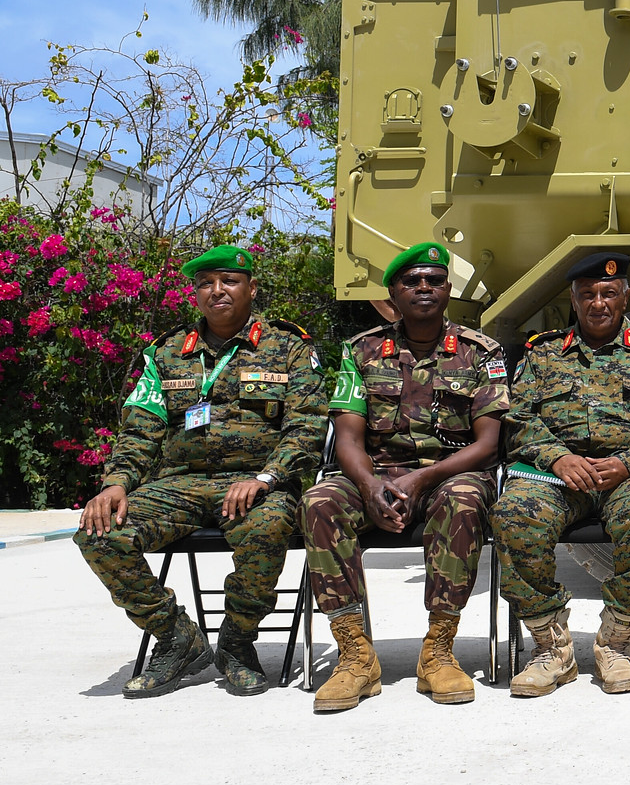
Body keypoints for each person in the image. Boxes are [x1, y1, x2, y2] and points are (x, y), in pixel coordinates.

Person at [75, 244, 325, 697]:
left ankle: (236, 642)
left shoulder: (288, 348)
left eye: (228, 280)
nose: (217, 291)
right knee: (100, 533)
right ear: (195, 293)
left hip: (259, 482)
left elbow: (307, 426)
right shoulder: (168, 352)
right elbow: (141, 427)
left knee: (267, 528)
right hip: (181, 485)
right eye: (205, 283)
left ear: (251, 288)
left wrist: (267, 477)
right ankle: (175, 638)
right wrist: (115, 483)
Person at [302, 242, 509, 713]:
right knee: (320, 500)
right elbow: (348, 438)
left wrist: (423, 478)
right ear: (392, 292)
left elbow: (487, 444)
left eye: (434, 280)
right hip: (373, 475)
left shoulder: (481, 352)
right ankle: (355, 655)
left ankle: (439, 650)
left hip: (449, 472)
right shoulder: (361, 351)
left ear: (448, 290)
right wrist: (371, 486)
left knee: (463, 497)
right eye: (411, 281)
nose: (423, 288)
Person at [493, 251, 630, 697]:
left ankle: (616, 642)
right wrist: (557, 457)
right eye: (588, 294)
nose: (598, 303)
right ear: (574, 299)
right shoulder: (543, 353)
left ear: (625, 298)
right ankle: (552, 647)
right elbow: (519, 417)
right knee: (513, 513)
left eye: (608, 293)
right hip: (560, 475)